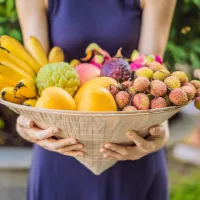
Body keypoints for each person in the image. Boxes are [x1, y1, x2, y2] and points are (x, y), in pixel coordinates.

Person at [16, 0, 176, 199]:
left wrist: (160, 129)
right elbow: (32, 73)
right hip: (62, 150)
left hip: (131, 147)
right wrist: (25, 122)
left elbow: (151, 69)